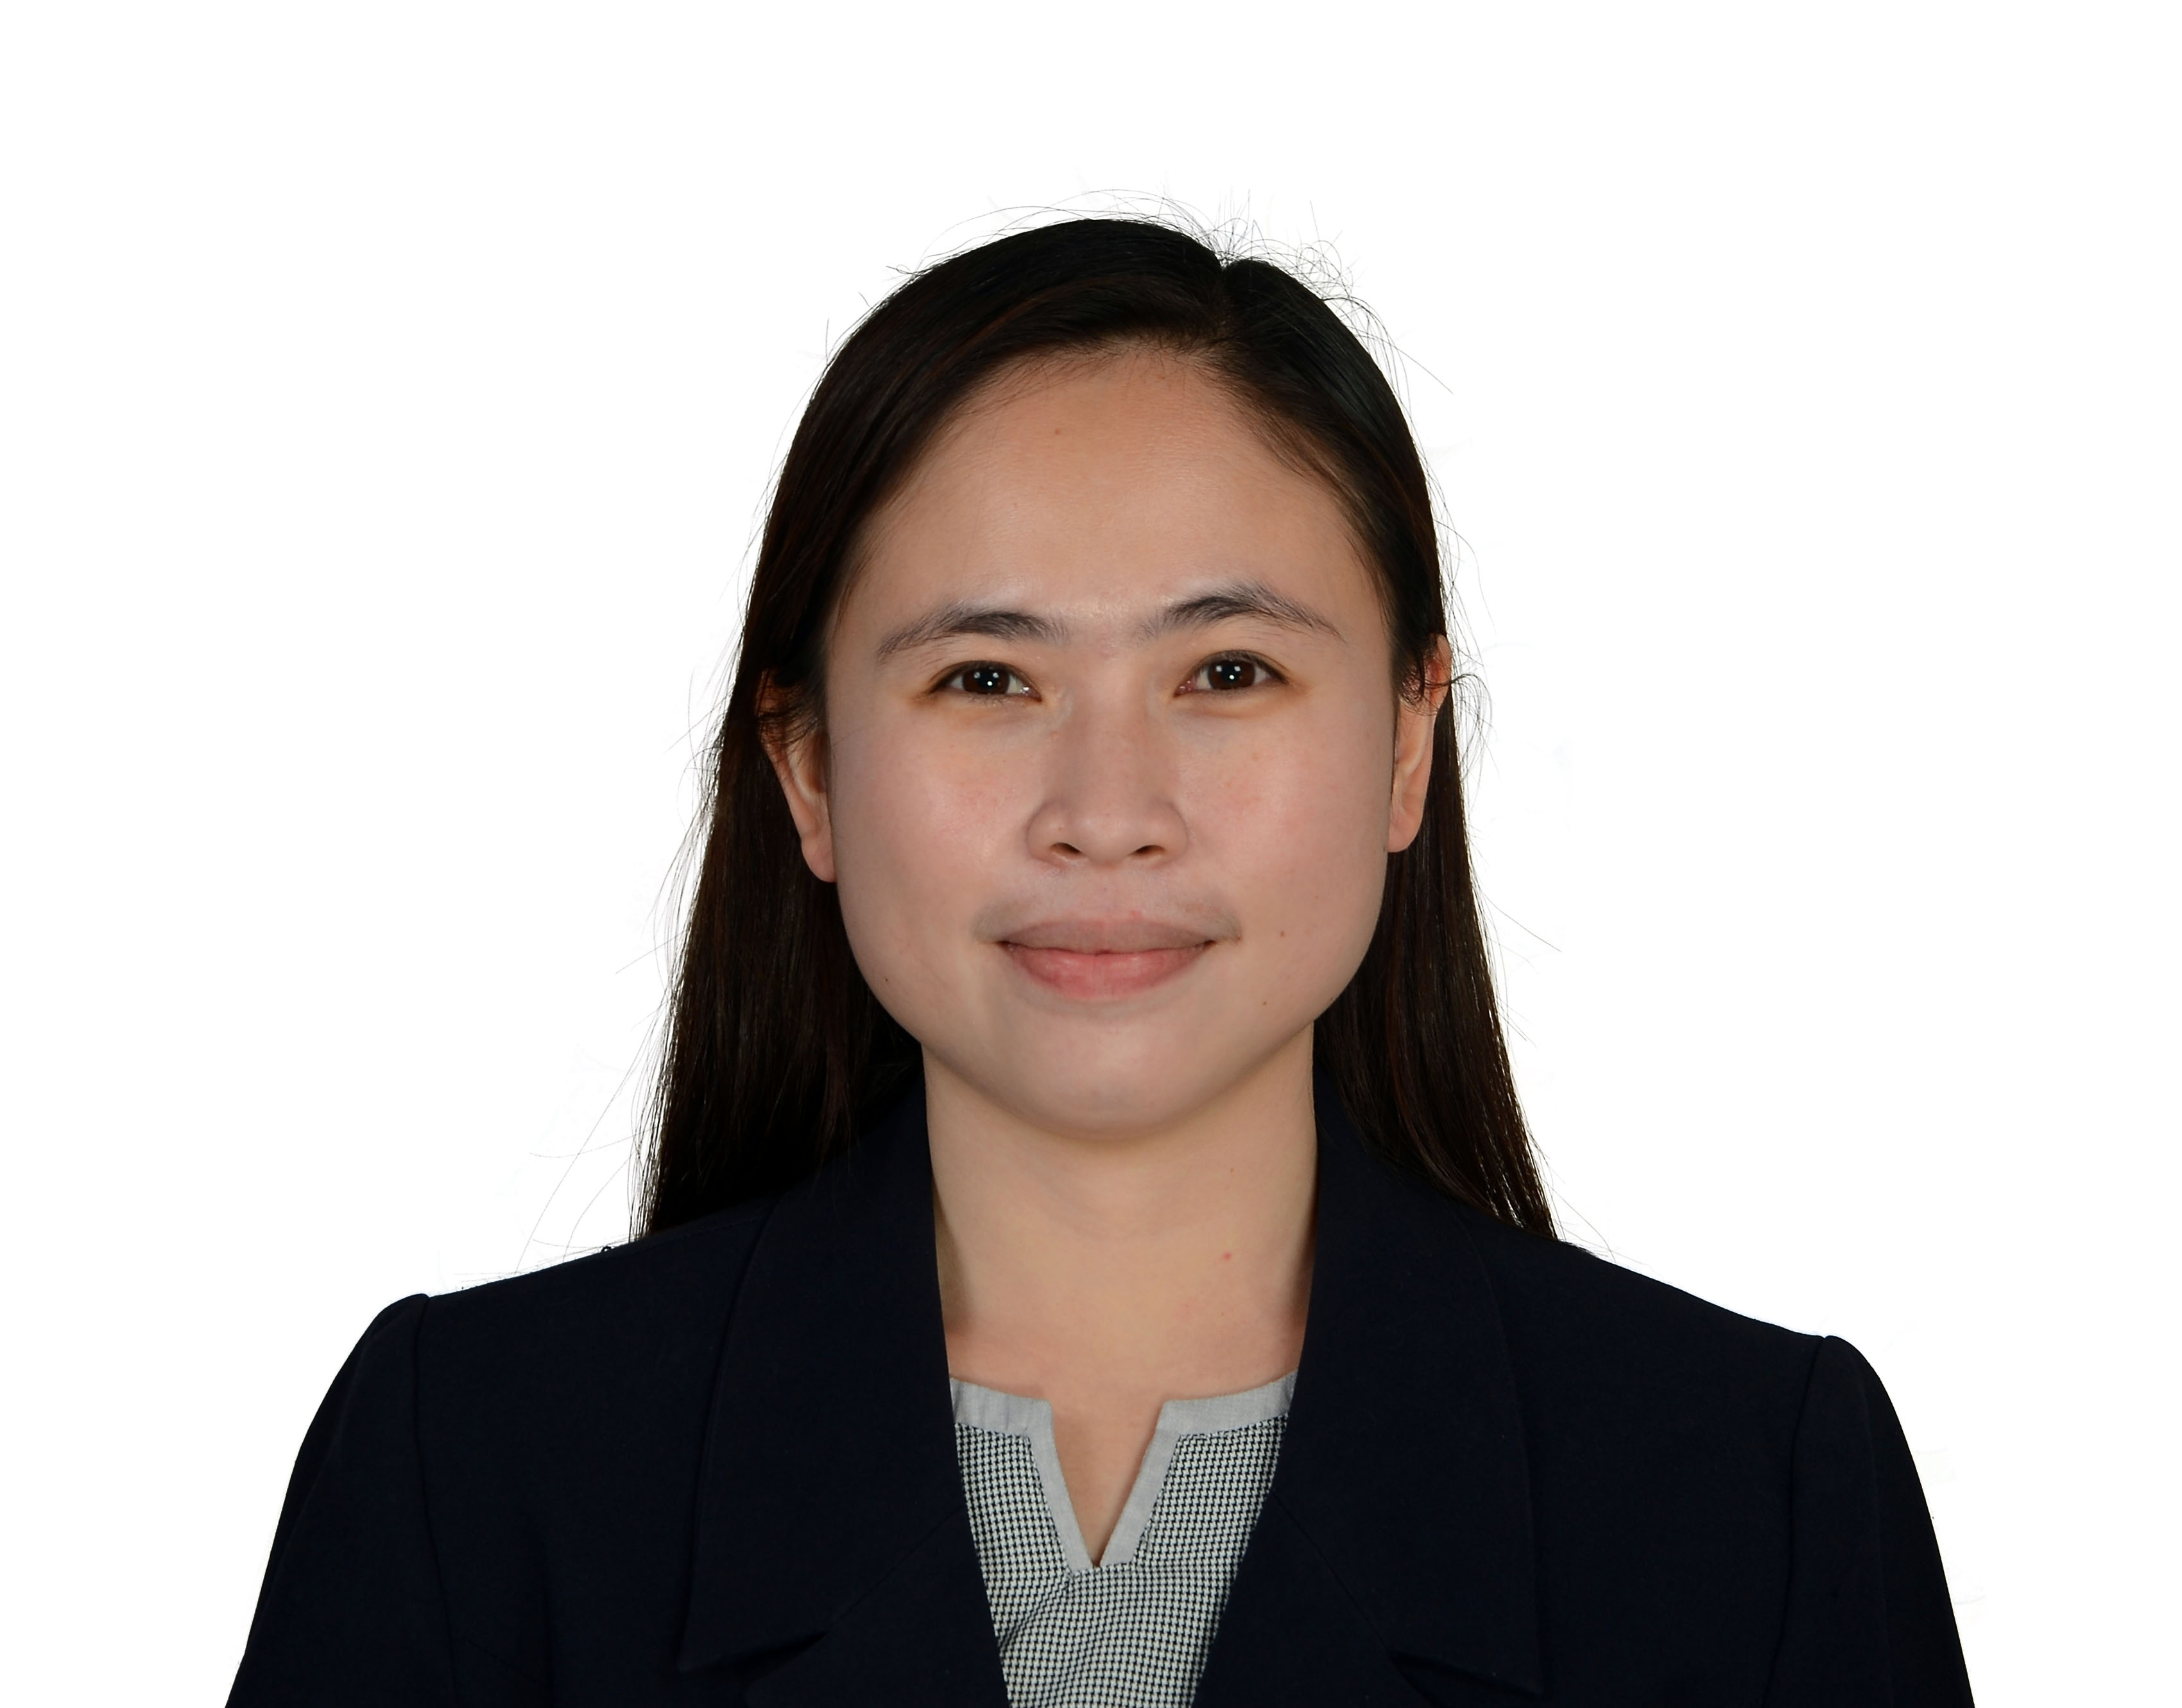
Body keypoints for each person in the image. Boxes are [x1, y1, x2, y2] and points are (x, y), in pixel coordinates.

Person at [227, 218, 1974, 1707]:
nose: (1108, 814)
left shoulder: (1753, 1502)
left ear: (1406, 743)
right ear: (808, 768)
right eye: (987, 679)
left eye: (1228, 674)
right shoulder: (473, 1475)